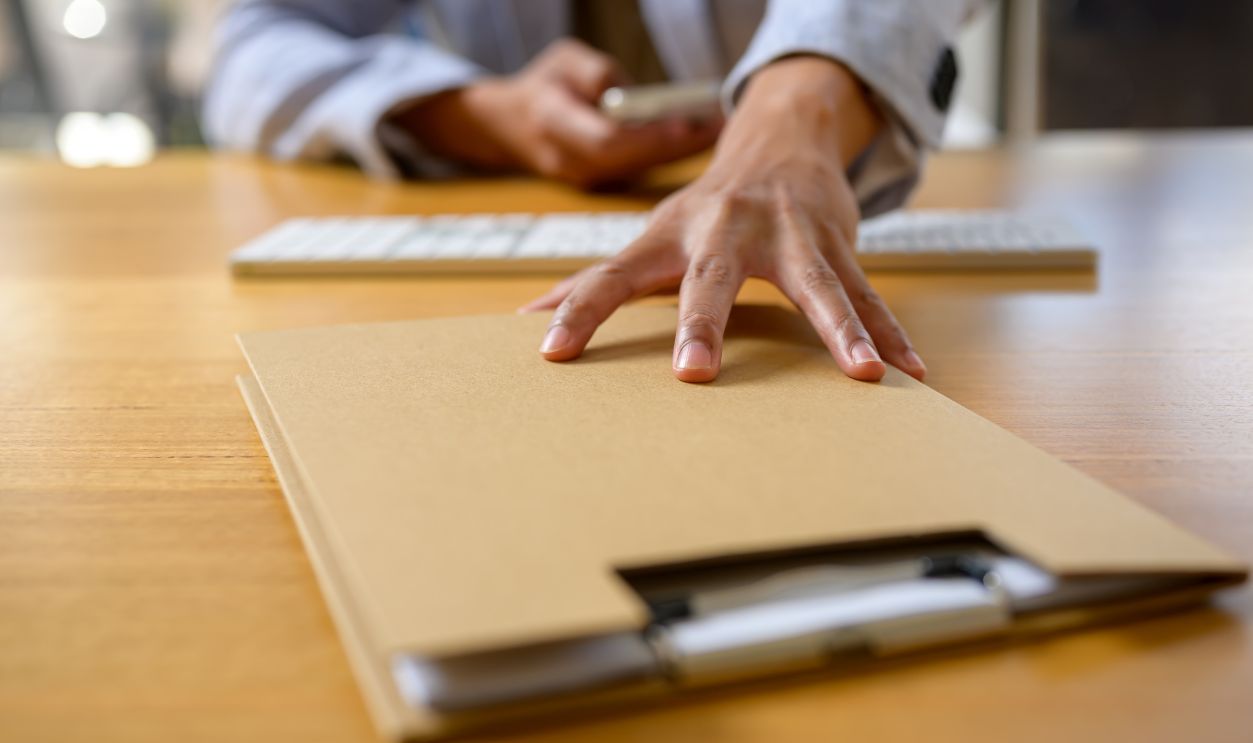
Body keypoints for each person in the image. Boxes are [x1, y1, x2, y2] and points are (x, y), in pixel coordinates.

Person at [205, 0, 978, 383]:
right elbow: (254, 46)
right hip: (522, 199)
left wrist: (793, 113)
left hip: (800, 185)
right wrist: (483, 114)